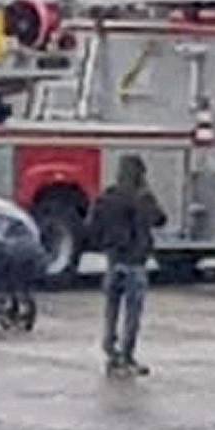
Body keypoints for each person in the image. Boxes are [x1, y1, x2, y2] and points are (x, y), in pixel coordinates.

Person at [85, 155, 167, 376]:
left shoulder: (106, 197)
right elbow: (160, 219)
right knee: (132, 314)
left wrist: (105, 244)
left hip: (113, 261)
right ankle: (127, 356)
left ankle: (110, 349)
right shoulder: (142, 197)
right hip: (135, 263)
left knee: (111, 311)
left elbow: (91, 226)